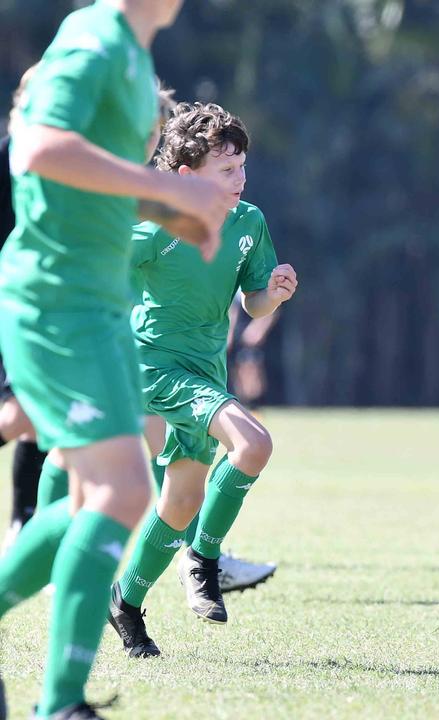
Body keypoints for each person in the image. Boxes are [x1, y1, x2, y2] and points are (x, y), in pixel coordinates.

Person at [0, 0, 225, 716]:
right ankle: (61, 703)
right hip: (59, 302)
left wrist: (172, 213)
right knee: (124, 492)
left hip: (102, 307)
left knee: (83, 498)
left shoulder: (133, 55)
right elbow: (35, 148)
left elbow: (95, 191)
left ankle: (59, 701)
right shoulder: (95, 40)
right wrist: (166, 187)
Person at [105, 102, 296, 658]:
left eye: (242, 167)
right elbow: (98, 269)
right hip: (153, 367)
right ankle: (204, 560)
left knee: (183, 499)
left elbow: (254, 304)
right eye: (226, 170)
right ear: (186, 177)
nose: (240, 180)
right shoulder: (156, 223)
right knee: (254, 443)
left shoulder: (248, 222)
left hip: (207, 368)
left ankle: (126, 601)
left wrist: (275, 293)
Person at [0, 66, 46, 554]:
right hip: (10, 298)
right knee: (20, 416)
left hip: (39, 301)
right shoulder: (8, 154)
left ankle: (23, 522)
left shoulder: (56, 161)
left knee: (36, 415)